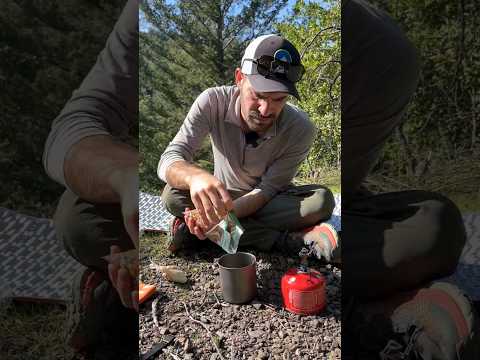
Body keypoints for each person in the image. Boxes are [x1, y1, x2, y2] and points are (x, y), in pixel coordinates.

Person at [342, 1, 478, 358]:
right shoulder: (215, 106)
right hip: (276, 219)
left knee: (439, 222)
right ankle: (371, 319)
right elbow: (173, 160)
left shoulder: (373, 38)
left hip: (330, 215)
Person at [158, 34, 340, 261]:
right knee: (172, 196)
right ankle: (282, 241)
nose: (266, 110)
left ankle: (205, 233)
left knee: (321, 201)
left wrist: (219, 216)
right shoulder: (212, 101)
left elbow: (267, 190)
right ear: (239, 78)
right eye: (258, 95)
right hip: (223, 196)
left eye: (279, 99)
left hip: (268, 202)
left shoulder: (301, 128)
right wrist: (195, 178)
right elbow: (170, 158)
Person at [43, 0, 139, 357]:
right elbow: (71, 127)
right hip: (162, 186)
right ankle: (111, 294)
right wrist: (125, 177)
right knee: (77, 218)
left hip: (225, 194)